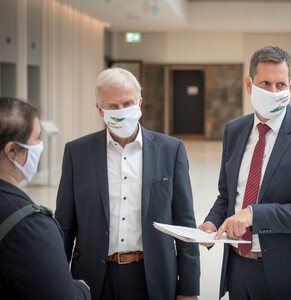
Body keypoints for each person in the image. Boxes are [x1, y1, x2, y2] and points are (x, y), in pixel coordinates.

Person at [198, 46, 291, 300]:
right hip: (239, 267)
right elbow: (227, 196)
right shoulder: (234, 130)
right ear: (249, 85)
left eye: (280, 84)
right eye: (265, 83)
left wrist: (255, 214)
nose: (274, 92)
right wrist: (212, 223)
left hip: (290, 273)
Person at [55, 67, 200, 300]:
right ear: (99, 110)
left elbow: (185, 223)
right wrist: (56, 284)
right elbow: (64, 227)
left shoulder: (170, 150)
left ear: (140, 103)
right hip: (92, 278)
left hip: (152, 274)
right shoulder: (76, 152)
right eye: (112, 106)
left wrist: (189, 288)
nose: (121, 111)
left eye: (128, 103)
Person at [0, 97, 91, 300]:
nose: (40, 145)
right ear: (12, 150)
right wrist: (80, 290)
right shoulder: (30, 227)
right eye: (36, 138)